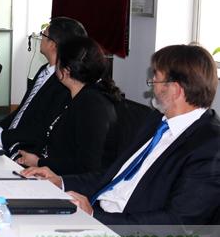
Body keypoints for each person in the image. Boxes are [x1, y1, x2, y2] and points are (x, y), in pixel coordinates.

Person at [22, 44, 220, 226]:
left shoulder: (209, 146)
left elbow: (176, 223)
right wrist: (61, 181)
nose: (152, 84)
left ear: (175, 90)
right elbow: (113, 175)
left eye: (156, 78)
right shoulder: (156, 121)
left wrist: (95, 217)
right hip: (98, 213)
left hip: (126, 235)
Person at [15, 36, 121, 174]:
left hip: (70, 182)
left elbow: (86, 166)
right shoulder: (74, 95)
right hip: (52, 170)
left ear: (65, 71)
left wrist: (39, 162)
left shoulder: (92, 106)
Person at [0, 17, 87, 156]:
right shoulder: (44, 69)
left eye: (43, 35)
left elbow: (42, 128)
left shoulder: (64, 83)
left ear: (53, 45)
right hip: (11, 138)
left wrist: (2, 139)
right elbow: (23, 109)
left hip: (26, 150)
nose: (40, 38)